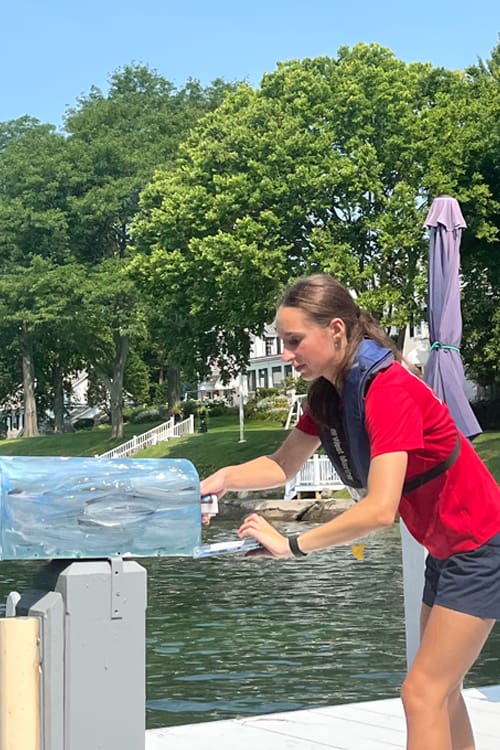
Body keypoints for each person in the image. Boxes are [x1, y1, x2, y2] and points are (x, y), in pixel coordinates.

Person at [200, 273, 500, 750]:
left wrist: (291, 545)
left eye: (294, 340)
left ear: (335, 330)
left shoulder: (388, 390)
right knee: (439, 692)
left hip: (480, 546)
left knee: (421, 693)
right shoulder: (333, 393)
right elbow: (283, 464)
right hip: (447, 549)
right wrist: (220, 479)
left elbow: (380, 510)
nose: (285, 353)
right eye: (282, 341)